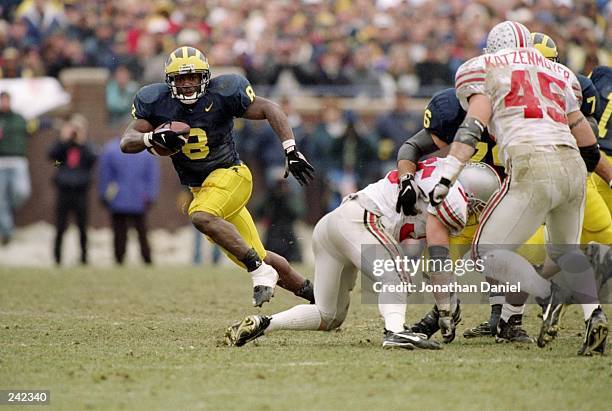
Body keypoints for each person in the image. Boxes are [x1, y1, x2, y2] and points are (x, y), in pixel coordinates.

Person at [428, 21, 608, 355]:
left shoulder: (487, 69)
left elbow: (474, 124)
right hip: (572, 166)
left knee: (487, 252)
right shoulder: (560, 74)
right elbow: (587, 141)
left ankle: (546, 294)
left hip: (530, 163)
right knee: (566, 251)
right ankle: (593, 314)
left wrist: (448, 173)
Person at [225, 159, 500, 349]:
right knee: (398, 273)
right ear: (473, 197)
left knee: (328, 315)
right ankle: (395, 332)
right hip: (360, 220)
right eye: (480, 206)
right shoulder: (455, 200)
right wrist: (444, 306)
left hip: (333, 226)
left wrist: (446, 299)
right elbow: (437, 259)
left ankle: (264, 324)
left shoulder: (440, 174)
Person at [120, 46, 315, 307]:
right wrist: (150, 137)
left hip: (232, 176)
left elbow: (269, 107)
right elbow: (127, 141)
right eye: (180, 78)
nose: (187, 84)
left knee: (200, 216)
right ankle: (315, 295)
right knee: (259, 254)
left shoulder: (224, 92)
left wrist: (290, 149)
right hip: (203, 190)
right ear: (169, 81)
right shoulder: (156, 102)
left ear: (206, 77)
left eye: (194, 77)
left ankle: (258, 272)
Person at [98, 137, 159, 265]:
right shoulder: (147, 151)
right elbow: (151, 176)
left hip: (118, 197)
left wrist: (104, 194)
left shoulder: (110, 149)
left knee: (120, 232)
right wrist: (150, 195)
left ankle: (119, 259)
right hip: (139, 199)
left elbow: (105, 175)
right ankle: (146, 259)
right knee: (141, 231)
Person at [48, 114, 97, 265]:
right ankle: (57, 258)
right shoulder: (63, 148)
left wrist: (82, 142)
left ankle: (83, 257)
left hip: (80, 192)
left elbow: (93, 160)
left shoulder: (87, 147)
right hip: (64, 191)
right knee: (60, 226)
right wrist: (63, 140)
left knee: (82, 227)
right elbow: (53, 160)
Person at [0, 91, 31, 245]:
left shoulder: (19, 118)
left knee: (22, 191)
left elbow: (32, 128)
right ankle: (7, 231)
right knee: (0, 200)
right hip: (1, 161)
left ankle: (7, 212)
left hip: (18, 160)